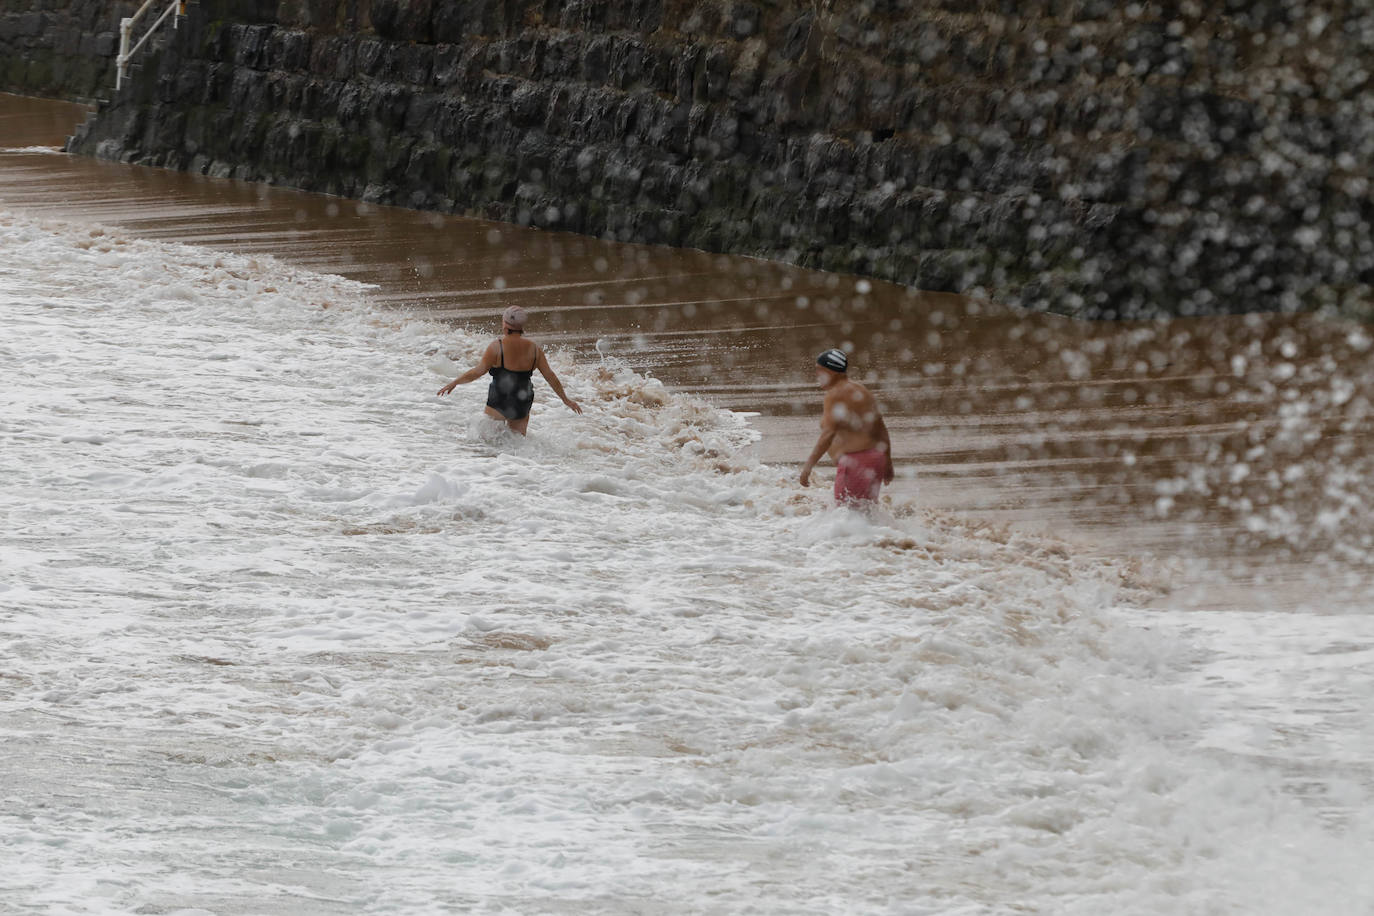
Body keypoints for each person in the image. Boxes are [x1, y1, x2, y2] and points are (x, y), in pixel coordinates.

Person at [437, 305, 582, 434]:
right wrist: (565, 400)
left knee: (489, 442)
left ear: (505, 325)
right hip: (523, 399)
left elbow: (477, 372)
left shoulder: (497, 347)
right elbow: (550, 376)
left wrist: (455, 382)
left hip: (500, 397)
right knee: (517, 445)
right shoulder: (535, 350)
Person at [799, 348, 894, 506]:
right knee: (865, 516)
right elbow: (881, 429)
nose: (816, 375)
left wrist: (807, 468)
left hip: (855, 462)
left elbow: (828, 434)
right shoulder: (861, 390)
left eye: (819, 370)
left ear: (831, 371)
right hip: (875, 458)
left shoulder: (835, 394)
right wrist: (888, 462)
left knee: (847, 515)